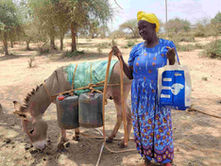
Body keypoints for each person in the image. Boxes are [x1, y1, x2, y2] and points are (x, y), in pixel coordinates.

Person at [113, 11, 179, 166]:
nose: (141, 31)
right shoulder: (136, 49)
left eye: (144, 27)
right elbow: (130, 75)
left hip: (158, 95)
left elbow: (174, 71)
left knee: (161, 126)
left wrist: (171, 58)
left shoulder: (167, 46)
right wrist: (120, 57)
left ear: (154, 26)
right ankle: (147, 156)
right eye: (139, 28)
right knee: (143, 126)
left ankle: (165, 159)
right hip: (139, 97)